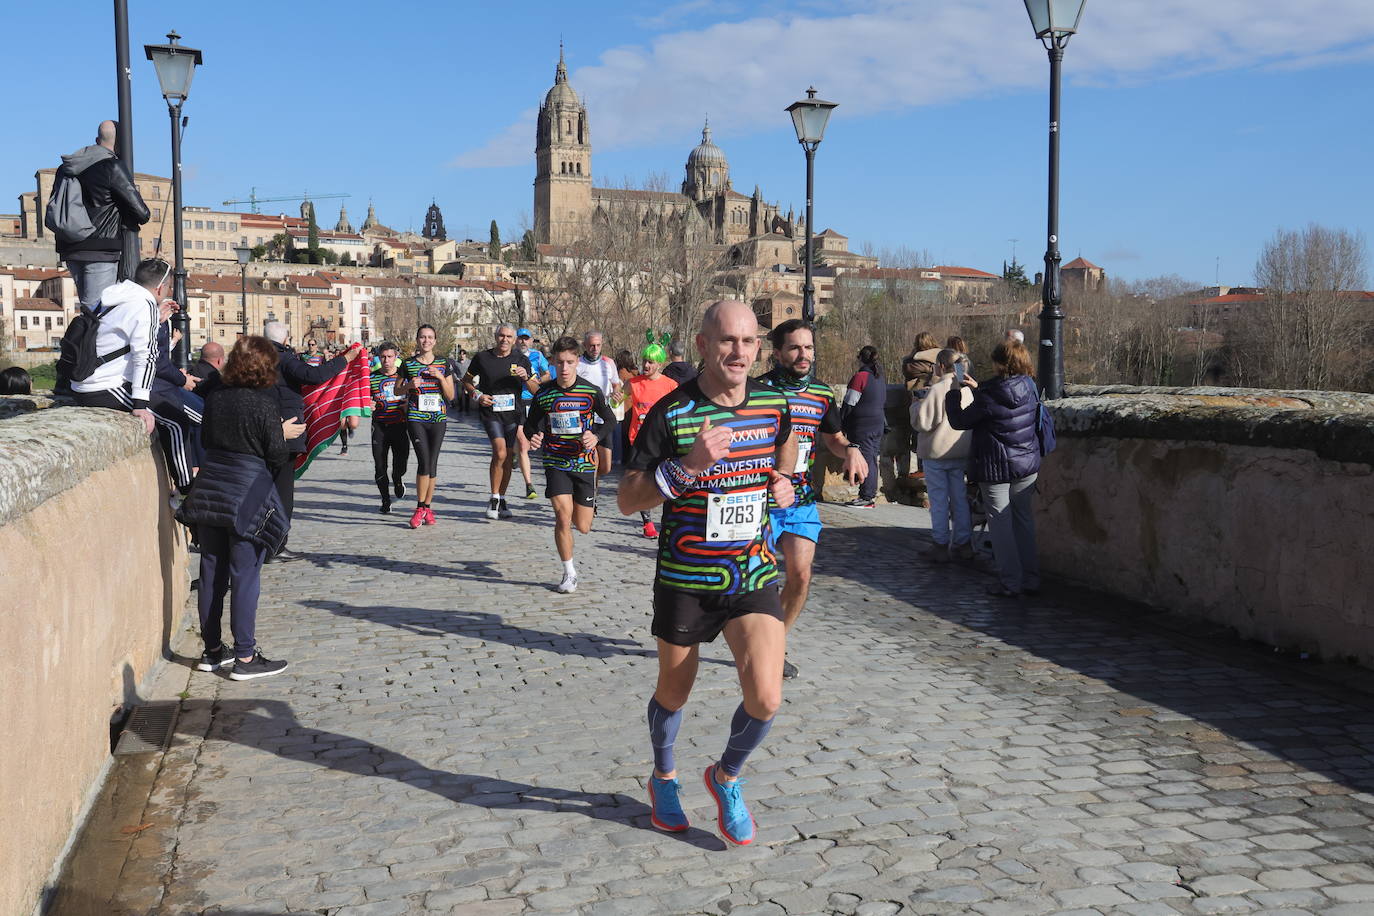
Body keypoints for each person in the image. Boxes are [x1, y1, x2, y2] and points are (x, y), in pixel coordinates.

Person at [619, 299, 797, 847]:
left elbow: (785, 445)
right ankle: (664, 777)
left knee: (766, 696)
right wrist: (686, 468)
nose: (739, 352)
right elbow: (628, 498)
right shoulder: (670, 413)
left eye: (748, 342)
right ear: (702, 346)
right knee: (674, 692)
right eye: (727, 341)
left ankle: (725, 776)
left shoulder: (772, 402)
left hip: (750, 572)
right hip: (686, 578)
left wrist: (784, 482)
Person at [177, 336, 299, 681]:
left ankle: (213, 652)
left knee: (212, 573)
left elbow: (205, 439)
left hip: (212, 487)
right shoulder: (262, 404)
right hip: (245, 492)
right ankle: (245, 656)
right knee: (245, 575)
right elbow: (276, 455)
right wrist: (281, 432)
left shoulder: (215, 398)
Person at [759, 319, 867, 680]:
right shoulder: (757, 391)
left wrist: (850, 449)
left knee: (801, 577)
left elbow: (833, 436)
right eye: (794, 347)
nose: (803, 354)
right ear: (777, 353)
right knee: (758, 580)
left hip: (802, 498)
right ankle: (754, 639)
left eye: (808, 347)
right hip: (762, 498)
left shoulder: (821, 394)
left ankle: (774, 646)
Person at [69, 258, 195, 493]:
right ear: (161, 287)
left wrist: (156, 319)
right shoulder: (145, 304)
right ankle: (187, 490)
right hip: (102, 386)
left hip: (85, 379)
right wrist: (140, 405)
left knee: (172, 408)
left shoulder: (115, 293)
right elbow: (145, 356)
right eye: (166, 288)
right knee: (176, 421)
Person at [946, 340, 1041, 598]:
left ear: (1000, 364)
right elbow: (1003, 403)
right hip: (1026, 464)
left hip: (996, 467)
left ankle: (1010, 582)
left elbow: (960, 420)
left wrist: (954, 392)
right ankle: (1031, 578)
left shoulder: (989, 395)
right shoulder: (1030, 386)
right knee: (1023, 521)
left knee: (1000, 525)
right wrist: (979, 388)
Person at [524, 336, 616, 593]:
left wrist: (595, 435)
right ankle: (569, 572)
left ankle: (589, 503)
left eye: (570, 362)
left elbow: (609, 419)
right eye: (560, 362)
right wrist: (535, 436)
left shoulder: (590, 391)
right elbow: (532, 423)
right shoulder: (544, 393)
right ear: (553, 362)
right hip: (556, 462)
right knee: (562, 518)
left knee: (583, 526)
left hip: (584, 464)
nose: (564, 368)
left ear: (577, 362)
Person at [265, 320, 361, 560]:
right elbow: (314, 375)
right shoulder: (284, 359)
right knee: (283, 492)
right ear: (285, 339)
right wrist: (345, 360)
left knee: (265, 489)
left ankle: (262, 541)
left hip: (261, 429)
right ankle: (276, 545)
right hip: (286, 433)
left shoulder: (256, 358)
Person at [54, 121, 150, 310]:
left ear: (97, 140)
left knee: (88, 305)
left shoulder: (66, 168)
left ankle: (85, 339)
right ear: (120, 144)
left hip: (71, 247)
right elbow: (142, 213)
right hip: (101, 248)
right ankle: (86, 340)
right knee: (97, 310)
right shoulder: (112, 166)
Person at [461, 324, 537, 521]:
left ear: (514, 339)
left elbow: (536, 389)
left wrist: (526, 377)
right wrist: (477, 395)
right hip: (491, 412)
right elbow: (466, 381)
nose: (505, 339)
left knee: (509, 455)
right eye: (501, 335)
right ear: (495, 337)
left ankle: (502, 498)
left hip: (513, 414)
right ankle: (494, 497)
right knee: (500, 451)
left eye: (509, 337)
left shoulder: (521, 360)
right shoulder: (482, 357)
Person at [912, 349, 975, 563]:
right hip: (960, 450)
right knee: (960, 499)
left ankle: (940, 543)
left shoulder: (938, 389)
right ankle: (963, 543)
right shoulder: (966, 387)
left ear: (939, 366)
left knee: (939, 500)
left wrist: (916, 405)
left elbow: (923, 423)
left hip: (937, 453)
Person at [398, 324, 456, 528]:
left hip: (438, 419)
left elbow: (451, 396)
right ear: (417, 340)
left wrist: (440, 377)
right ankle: (419, 507)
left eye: (430, 337)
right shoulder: (408, 364)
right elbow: (397, 390)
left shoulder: (444, 363)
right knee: (423, 461)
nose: (426, 341)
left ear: (435, 341)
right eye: (422, 337)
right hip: (416, 418)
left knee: (432, 463)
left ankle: (427, 507)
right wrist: (408, 386)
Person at [623, 341, 678, 538]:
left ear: (660, 364)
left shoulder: (670, 385)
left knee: (663, 482)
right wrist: (614, 396)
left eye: (651, 362)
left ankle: (667, 520)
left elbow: (678, 411)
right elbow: (616, 401)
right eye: (645, 361)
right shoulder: (633, 383)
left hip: (663, 441)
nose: (646, 365)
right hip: (638, 440)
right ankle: (647, 522)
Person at [840, 345, 885, 509]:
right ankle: (868, 494)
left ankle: (866, 497)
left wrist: (840, 422)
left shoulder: (861, 377)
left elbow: (850, 402)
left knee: (866, 459)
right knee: (872, 458)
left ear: (860, 358)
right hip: (878, 423)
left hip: (862, 425)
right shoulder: (879, 377)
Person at [368, 341, 409, 513]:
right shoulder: (371, 377)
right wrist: (367, 404)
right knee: (379, 466)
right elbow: (363, 400)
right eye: (383, 357)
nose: (386, 360)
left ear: (395, 357)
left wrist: (408, 403)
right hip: (380, 426)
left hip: (400, 426)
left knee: (401, 463)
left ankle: (398, 478)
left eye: (390, 357)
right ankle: (385, 500)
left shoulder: (403, 377)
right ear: (378, 357)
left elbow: (415, 397)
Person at [575, 329, 621, 478]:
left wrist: (616, 394)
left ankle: (592, 485)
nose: (595, 349)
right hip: (584, 418)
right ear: (585, 345)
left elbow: (616, 385)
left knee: (606, 466)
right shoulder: (578, 363)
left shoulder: (608, 363)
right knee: (591, 461)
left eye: (598, 345)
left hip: (603, 418)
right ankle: (590, 496)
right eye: (591, 345)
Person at [515, 328, 551, 499]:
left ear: (530, 341)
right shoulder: (511, 357)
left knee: (535, 442)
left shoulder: (538, 356)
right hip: (516, 402)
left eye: (526, 339)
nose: (523, 342)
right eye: (520, 339)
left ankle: (516, 454)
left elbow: (547, 375)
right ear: (516, 340)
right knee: (523, 444)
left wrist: (537, 380)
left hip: (534, 401)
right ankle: (529, 485)